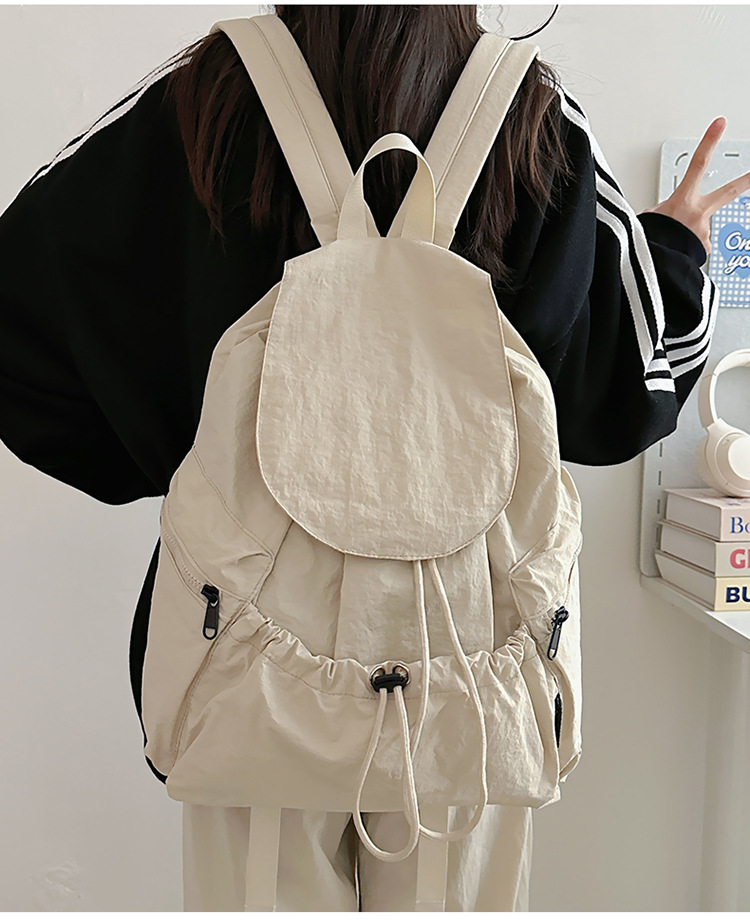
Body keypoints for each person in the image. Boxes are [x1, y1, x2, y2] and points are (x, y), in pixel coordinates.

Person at [0, 4, 747, 913]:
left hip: (243, 646)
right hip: (476, 660)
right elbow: (622, 391)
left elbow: (21, 324)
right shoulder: (530, 115)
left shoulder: (207, 99)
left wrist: (194, 459)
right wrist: (672, 248)